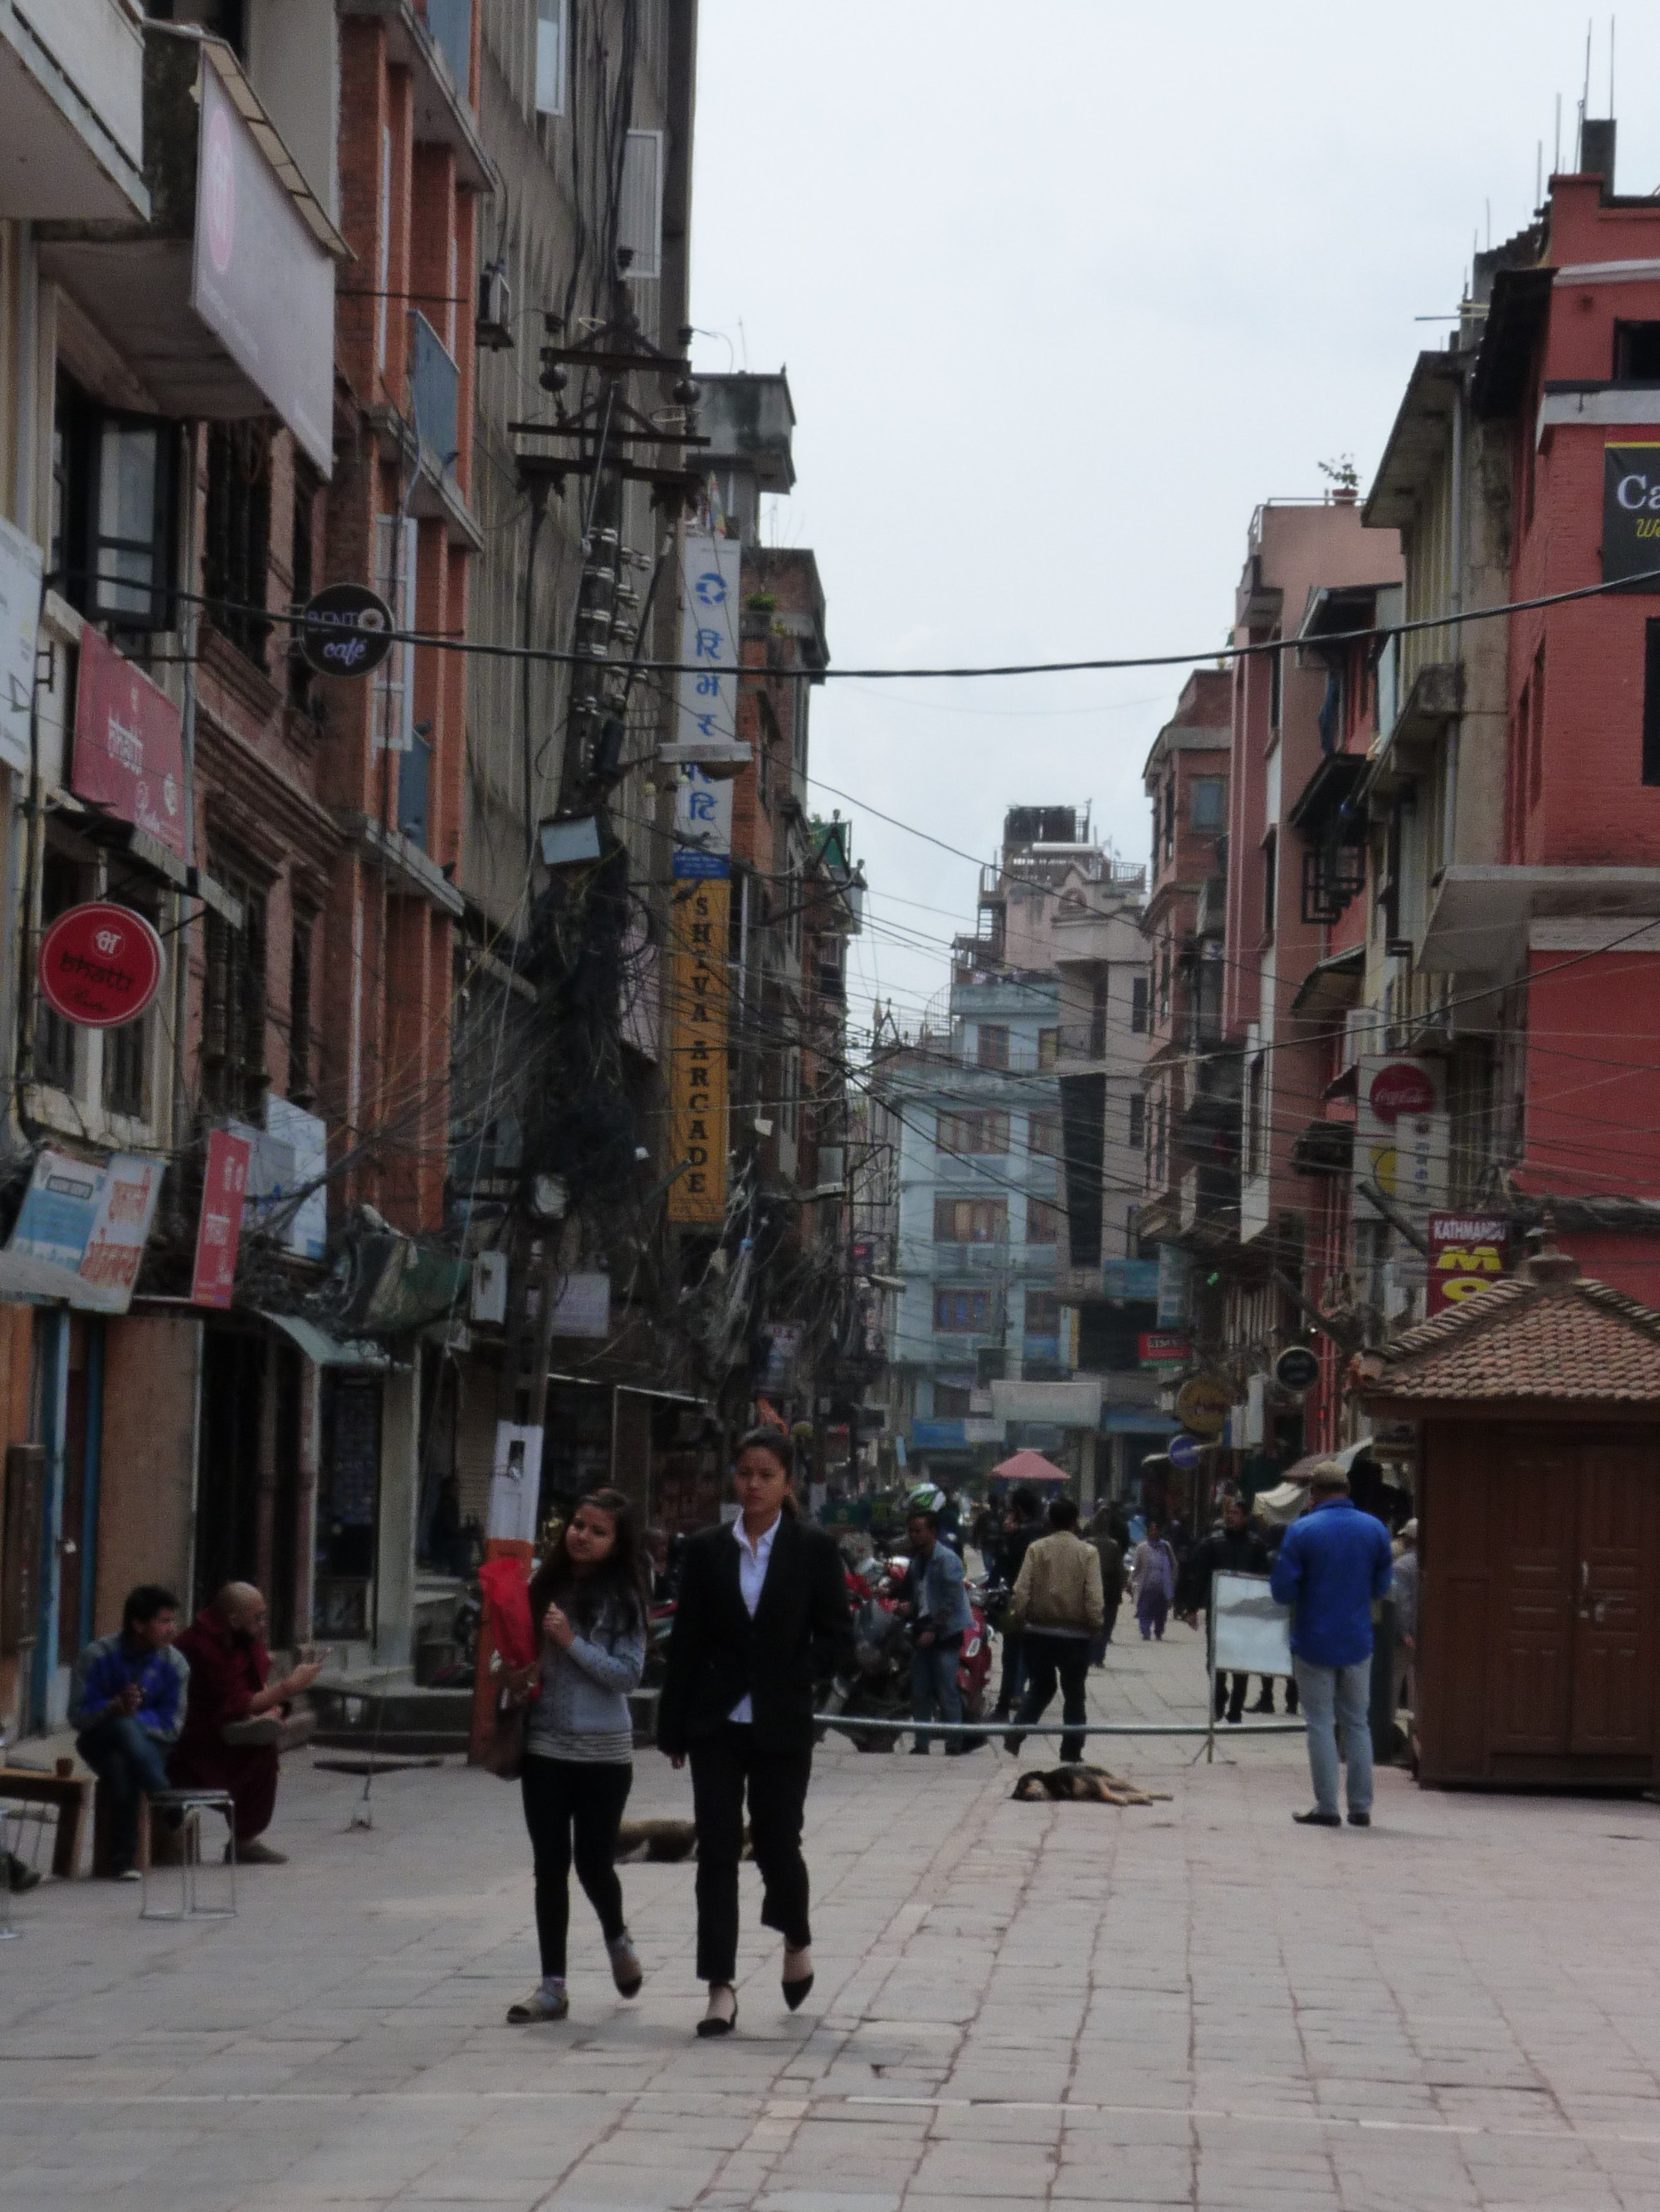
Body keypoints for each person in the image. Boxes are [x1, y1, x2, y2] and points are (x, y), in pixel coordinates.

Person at [657, 1428, 854, 2039]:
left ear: (786, 1482)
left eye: (766, 1474)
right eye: (744, 1472)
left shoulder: (814, 1549)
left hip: (780, 1721)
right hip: (716, 1722)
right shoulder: (707, 1549)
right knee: (716, 1851)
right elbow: (685, 1640)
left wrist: (796, 1673)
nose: (753, 1484)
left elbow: (837, 1642)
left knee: (776, 1844)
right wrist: (673, 1724)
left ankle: (796, 1935)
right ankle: (720, 1987)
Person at [506, 1487, 648, 2024]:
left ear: (617, 1542)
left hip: (605, 1754)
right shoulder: (544, 1585)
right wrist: (513, 1670)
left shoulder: (624, 1599)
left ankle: (616, 1937)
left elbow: (628, 1676)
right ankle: (552, 1987)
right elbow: (520, 1652)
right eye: (578, 1525)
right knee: (550, 1866)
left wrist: (570, 1642)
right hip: (544, 1746)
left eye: (597, 1530)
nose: (582, 1536)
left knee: (592, 1862)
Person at [1270, 1461, 1393, 1829]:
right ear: (1347, 1491)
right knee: (1357, 1723)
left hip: (1313, 1640)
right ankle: (1360, 1806)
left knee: (1320, 1723)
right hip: (1358, 1640)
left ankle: (1327, 1806)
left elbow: (1282, 1590)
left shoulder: (1302, 1531)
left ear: (1315, 1493)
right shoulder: (1375, 1530)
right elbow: (1380, 1588)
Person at [168, 1584, 322, 1863]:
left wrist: (271, 1709)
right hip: (191, 1742)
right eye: (258, 1618)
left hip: (226, 1731)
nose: (263, 1625)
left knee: (263, 1747)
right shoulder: (199, 1646)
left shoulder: (241, 1638)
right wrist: (290, 1686)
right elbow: (239, 1702)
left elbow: (254, 1687)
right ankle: (244, 1840)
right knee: (257, 1753)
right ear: (234, 1620)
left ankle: (244, 1840)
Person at [69, 1585, 190, 1881]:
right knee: (121, 1726)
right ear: (138, 1624)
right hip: (99, 1738)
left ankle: (123, 1858)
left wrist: (133, 1717)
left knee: (124, 1765)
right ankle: (163, 1794)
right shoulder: (96, 1655)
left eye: (173, 1621)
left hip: (151, 1746)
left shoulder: (175, 1664)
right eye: (163, 1621)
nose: (171, 1629)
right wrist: (112, 1708)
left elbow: (173, 1725)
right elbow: (78, 1716)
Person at [1004, 1497, 1104, 1763]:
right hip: (1075, 1637)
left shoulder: (1036, 1549)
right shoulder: (1088, 1553)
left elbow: (1021, 1590)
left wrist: (1019, 1619)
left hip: (1038, 1633)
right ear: (1075, 1522)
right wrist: (1096, 1625)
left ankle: (1018, 1729)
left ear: (1049, 1522)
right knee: (1074, 1694)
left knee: (1041, 1687)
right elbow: (1094, 1597)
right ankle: (1071, 1750)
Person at [1176, 1496, 1270, 1724]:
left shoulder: (1256, 1546)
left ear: (1245, 1517)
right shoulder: (1212, 1543)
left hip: (1245, 1614)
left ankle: (1235, 1709)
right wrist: (1191, 1609)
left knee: (1241, 1662)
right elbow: (1198, 1576)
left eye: (1236, 1513)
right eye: (1228, 1512)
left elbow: (1264, 1579)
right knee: (1214, 1660)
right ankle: (1219, 1698)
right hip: (1218, 1611)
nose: (1230, 1517)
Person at [896, 1506, 974, 1754]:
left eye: (919, 1530)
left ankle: (954, 1742)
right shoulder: (918, 1562)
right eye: (911, 1531)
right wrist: (905, 1606)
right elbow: (913, 1594)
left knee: (946, 1689)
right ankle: (921, 1744)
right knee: (920, 1691)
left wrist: (934, 1629)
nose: (914, 1536)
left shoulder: (948, 1560)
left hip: (946, 1634)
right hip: (922, 1632)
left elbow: (951, 1601)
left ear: (932, 1531)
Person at [989, 1487, 1042, 1721]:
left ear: (1019, 1509)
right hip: (1041, 1602)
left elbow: (1003, 1564)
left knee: (1011, 1655)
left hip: (1017, 1598)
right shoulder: (1045, 1533)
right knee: (1037, 1657)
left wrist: (1006, 1535)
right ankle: (1030, 1705)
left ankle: (1003, 1706)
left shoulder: (1018, 1536)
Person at [1085, 1505, 1126, 1668]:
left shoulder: (1087, 1544)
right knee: (1107, 1623)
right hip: (1110, 1588)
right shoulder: (1114, 1545)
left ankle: (1089, 1654)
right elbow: (1119, 1570)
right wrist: (1123, 1585)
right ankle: (1099, 1656)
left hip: (1090, 1586)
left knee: (1090, 1622)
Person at [1130, 1519, 1177, 1640]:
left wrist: (1173, 1580)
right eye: (1151, 1531)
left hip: (1163, 1587)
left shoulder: (1165, 1546)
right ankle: (1145, 1630)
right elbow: (1136, 1567)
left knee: (1161, 1613)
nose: (1154, 1533)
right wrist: (1130, 1580)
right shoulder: (1142, 1548)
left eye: (1156, 1530)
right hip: (1147, 1586)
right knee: (1144, 1611)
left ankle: (1159, 1631)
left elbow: (1174, 1565)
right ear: (1148, 1532)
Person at [1392, 1519, 1419, 1714]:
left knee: (1394, 1679)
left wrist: (1404, 1631)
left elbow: (1402, 1602)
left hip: (1406, 1635)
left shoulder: (1401, 1566)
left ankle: (1388, 1720)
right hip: (1425, 1631)